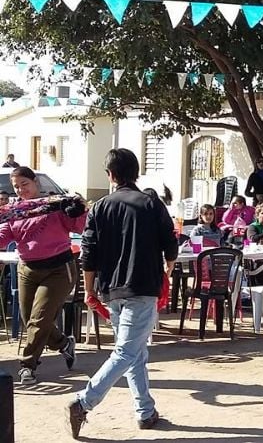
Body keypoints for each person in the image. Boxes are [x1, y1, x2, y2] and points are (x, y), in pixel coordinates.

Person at [68, 148, 178, 437]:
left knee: (135, 352)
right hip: (142, 286)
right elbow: (170, 242)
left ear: (110, 175)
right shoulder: (151, 203)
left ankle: (145, 411)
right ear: (136, 173)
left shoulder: (100, 207)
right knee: (127, 351)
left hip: (110, 289)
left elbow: (88, 253)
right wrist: (167, 268)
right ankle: (83, 402)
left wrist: (89, 289)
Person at [0, 167, 87, 385]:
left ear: (35, 183)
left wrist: (79, 210)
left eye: (25, 184)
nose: (21, 190)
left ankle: (28, 365)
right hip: (27, 269)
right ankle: (63, 343)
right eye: (16, 187)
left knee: (39, 319)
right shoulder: (15, 211)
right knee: (30, 319)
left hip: (59, 269)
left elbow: (80, 226)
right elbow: (4, 235)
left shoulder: (56, 205)